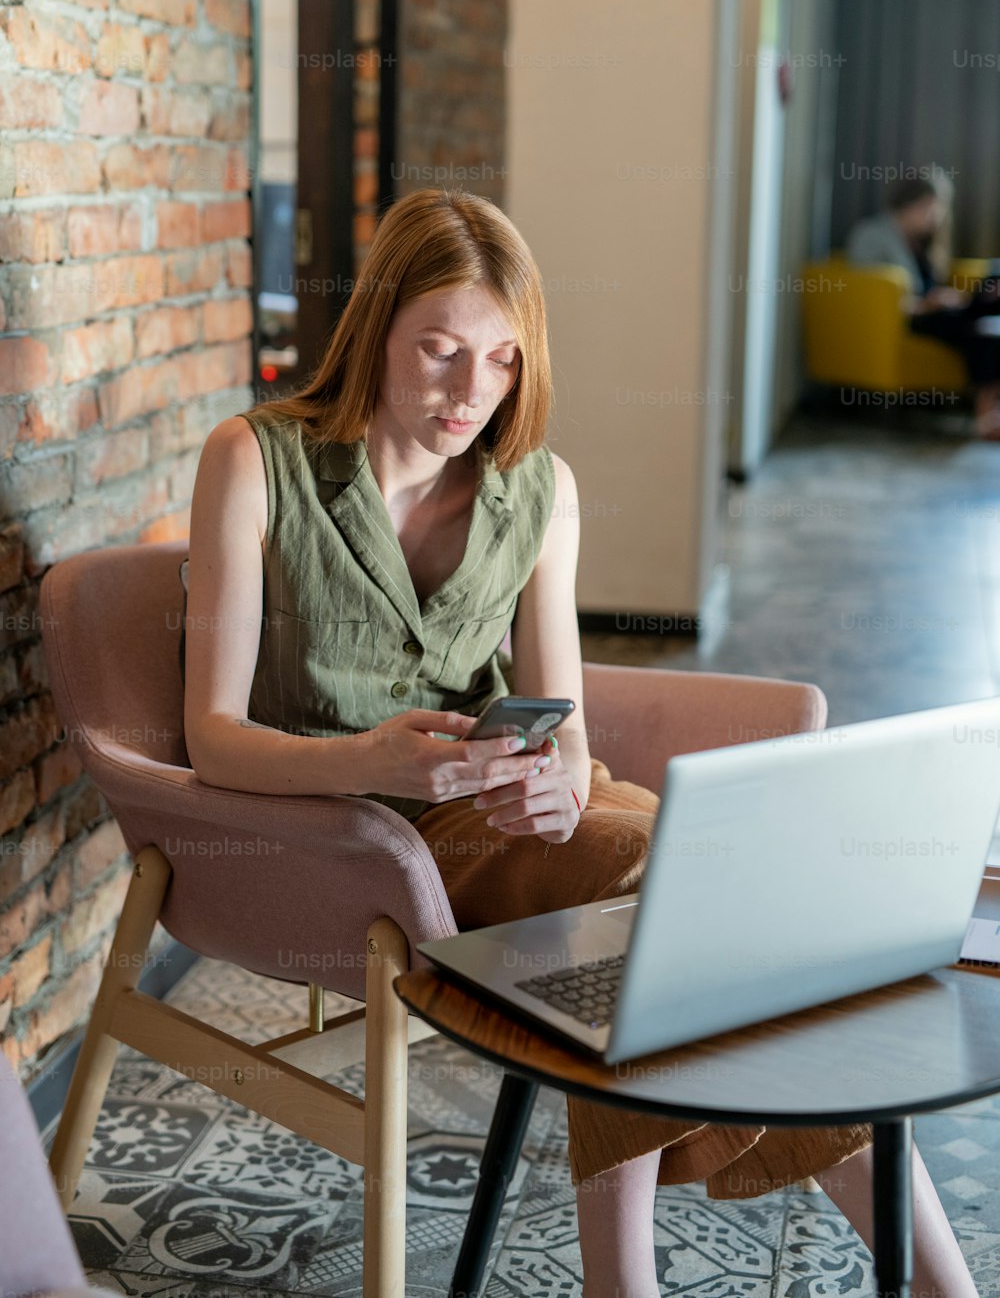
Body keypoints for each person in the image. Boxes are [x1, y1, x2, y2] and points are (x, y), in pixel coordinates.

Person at [184, 188, 979, 1298]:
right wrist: (370, 760)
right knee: (656, 897)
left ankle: (930, 1282)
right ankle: (658, 1281)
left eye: (503, 359)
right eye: (440, 353)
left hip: (518, 821)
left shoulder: (537, 490)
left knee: (739, 893)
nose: (472, 393)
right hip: (366, 829)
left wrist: (557, 784)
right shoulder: (252, 460)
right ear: (374, 328)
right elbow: (210, 739)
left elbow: (564, 730)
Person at [846, 171, 1000, 439]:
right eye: (930, 209)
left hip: (941, 312)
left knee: (990, 295)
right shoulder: (872, 235)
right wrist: (925, 303)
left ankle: (989, 415)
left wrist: (946, 297)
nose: (936, 217)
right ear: (909, 204)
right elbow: (871, 296)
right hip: (913, 317)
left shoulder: (922, 243)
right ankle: (987, 416)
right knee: (981, 330)